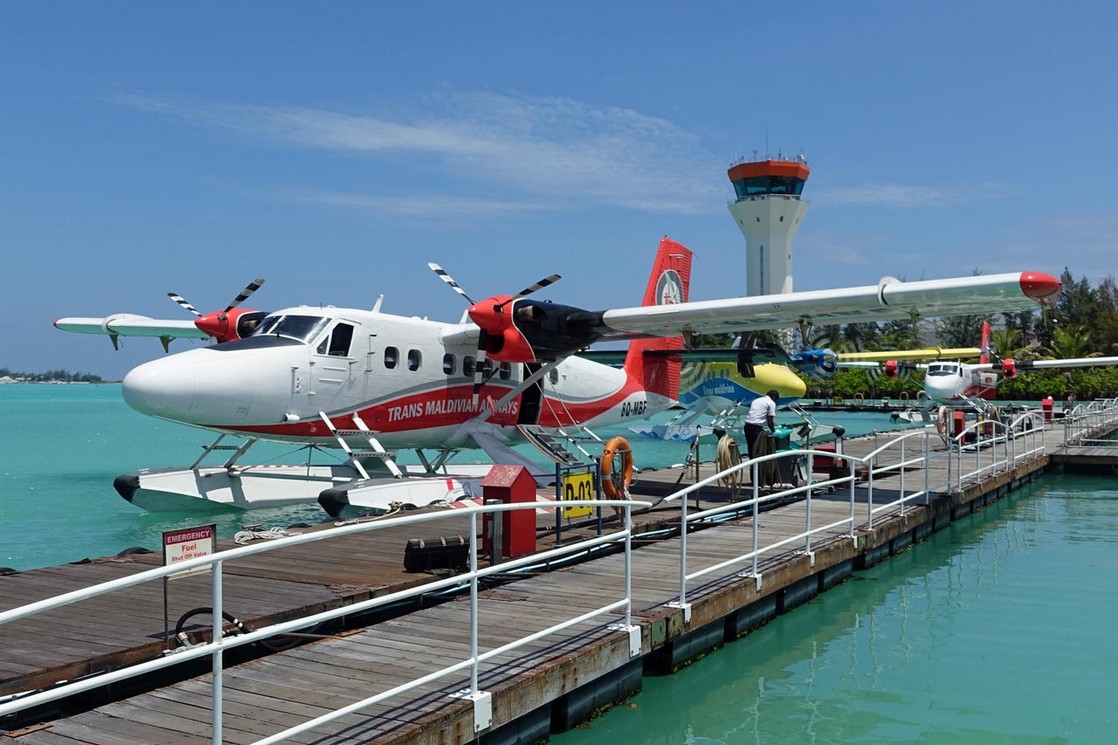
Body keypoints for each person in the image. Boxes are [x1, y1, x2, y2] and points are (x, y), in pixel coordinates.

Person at [743, 389, 779, 460]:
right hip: (756, 427)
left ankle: (752, 465)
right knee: (760, 448)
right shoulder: (771, 403)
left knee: (751, 447)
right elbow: (770, 421)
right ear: (774, 397)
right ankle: (760, 465)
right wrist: (773, 431)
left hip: (747, 426)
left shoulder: (756, 400)